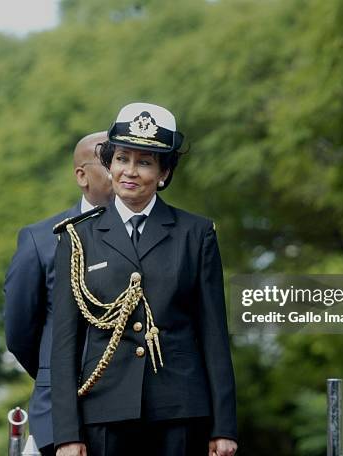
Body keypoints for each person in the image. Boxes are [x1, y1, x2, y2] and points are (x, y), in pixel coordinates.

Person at [51, 103, 238, 456]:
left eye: (145, 162)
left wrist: (223, 427)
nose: (130, 172)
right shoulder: (77, 238)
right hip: (103, 410)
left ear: (164, 172)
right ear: (108, 164)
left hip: (180, 410)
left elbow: (213, 335)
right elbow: (64, 345)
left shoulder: (196, 235)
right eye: (122, 159)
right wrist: (66, 434)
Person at [4, 131, 113, 456]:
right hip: (58, 418)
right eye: (110, 161)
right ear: (82, 175)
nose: (123, 170)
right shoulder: (41, 240)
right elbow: (20, 332)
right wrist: (59, 375)